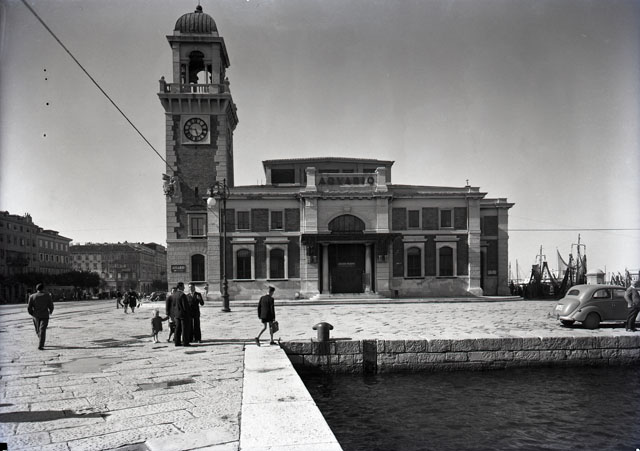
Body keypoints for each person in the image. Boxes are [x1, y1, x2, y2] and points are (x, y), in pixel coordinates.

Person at [27, 283, 54, 350]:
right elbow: (51, 305)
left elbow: (29, 307)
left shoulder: (32, 296)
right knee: (42, 330)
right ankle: (41, 343)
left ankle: (41, 341)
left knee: (38, 330)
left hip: (36, 316)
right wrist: (50, 311)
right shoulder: (47, 295)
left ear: (36, 289)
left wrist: (32, 313)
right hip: (45, 315)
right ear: (43, 288)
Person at [169, 282, 191, 346]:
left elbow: (173, 305)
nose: (184, 287)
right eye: (183, 286)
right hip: (183, 315)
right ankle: (185, 342)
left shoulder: (174, 295)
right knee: (184, 329)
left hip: (176, 314)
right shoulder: (182, 295)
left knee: (177, 329)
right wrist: (188, 313)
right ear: (180, 287)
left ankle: (177, 342)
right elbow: (185, 306)